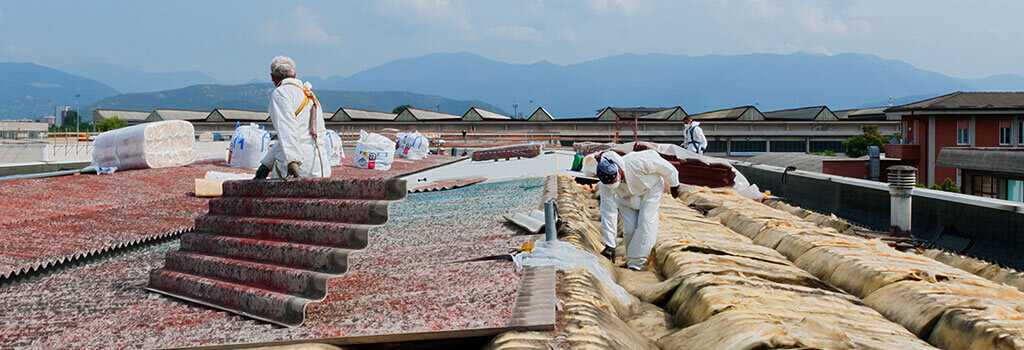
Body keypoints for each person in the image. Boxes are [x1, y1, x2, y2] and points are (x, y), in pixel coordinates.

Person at [591, 150, 681, 270]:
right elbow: (608, 211)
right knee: (629, 229)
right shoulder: (605, 187)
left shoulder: (636, 163)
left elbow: (663, 166)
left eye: (613, 181)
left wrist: (674, 183)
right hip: (626, 198)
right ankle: (631, 261)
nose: (611, 184)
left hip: (650, 191)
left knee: (646, 221)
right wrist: (610, 245)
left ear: (619, 171)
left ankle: (638, 265)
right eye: (609, 183)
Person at [254, 56, 331, 179]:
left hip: (298, 164)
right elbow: (295, 135)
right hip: (319, 164)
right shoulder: (309, 95)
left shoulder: (281, 93)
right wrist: (267, 163)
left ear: (272, 77)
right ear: (294, 75)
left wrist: (292, 161)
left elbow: (287, 130)